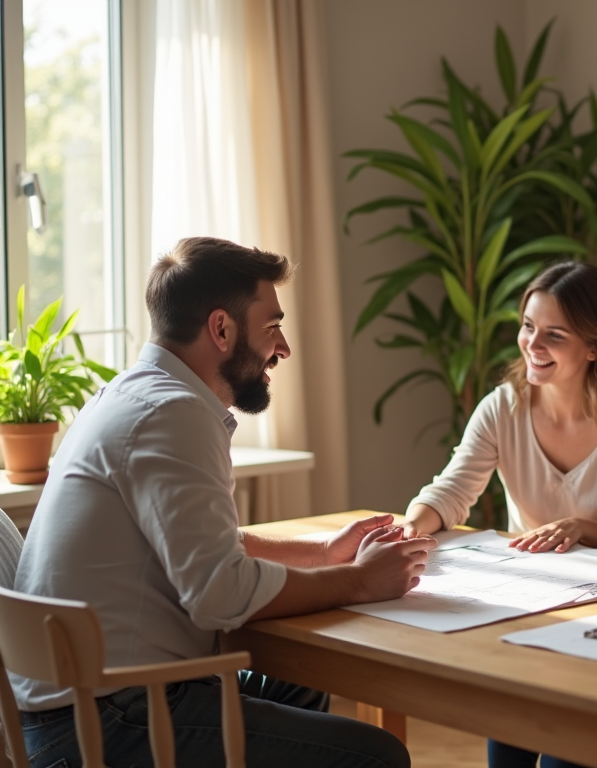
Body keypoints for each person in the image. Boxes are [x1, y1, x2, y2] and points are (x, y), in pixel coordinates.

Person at [12, 236, 436, 768]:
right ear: (221, 329)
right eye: (272, 327)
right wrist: (361, 580)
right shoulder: (173, 415)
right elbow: (219, 593)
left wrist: (326, 552)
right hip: (110, 722)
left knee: (292, 685)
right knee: (376, 755)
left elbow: (206, 546)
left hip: (77, 708)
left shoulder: (126, 395)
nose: (282, 348)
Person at [401, 261, 597, 768]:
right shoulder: (503, 407)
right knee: (511, 737)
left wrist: (583, 529)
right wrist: (410, 526)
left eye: (554, 334)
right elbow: (452, 489)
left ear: (594, 347)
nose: (532, 344)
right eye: (528, 327)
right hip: (526, 608)